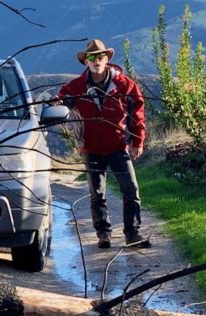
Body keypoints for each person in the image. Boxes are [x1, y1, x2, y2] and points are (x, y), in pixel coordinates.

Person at [56, 39, 151, 248]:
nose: (96, 60)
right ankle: (104, 235)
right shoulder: (75, 87)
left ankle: (132, 234)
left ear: (107, 59)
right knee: (97, 193)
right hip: (90, 148)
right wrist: (56, 105)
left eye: (100, 56)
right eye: (91, 57)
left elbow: (137, 114)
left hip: (118, 146)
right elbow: (60, 101)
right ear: (86, 62)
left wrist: (138, 140)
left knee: (131, 190)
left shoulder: (125, 84)